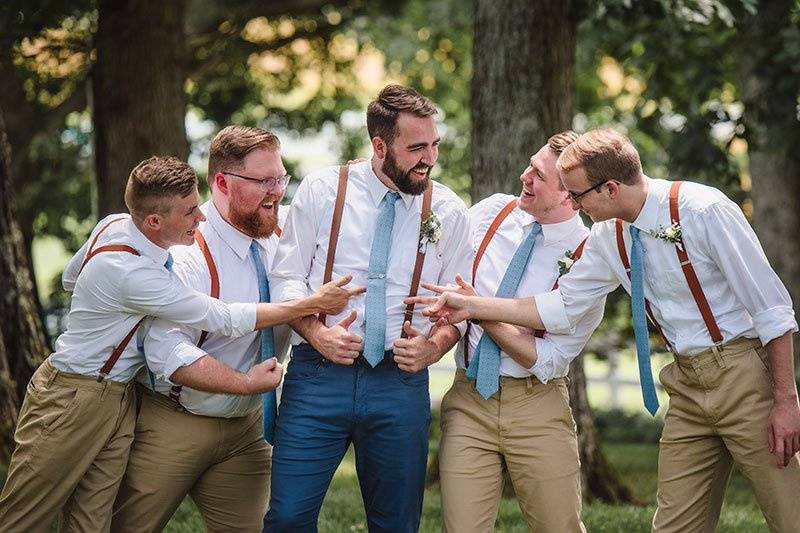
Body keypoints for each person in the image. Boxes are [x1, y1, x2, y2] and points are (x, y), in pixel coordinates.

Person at [411, 128, 800, 532]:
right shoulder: (607, 237)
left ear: (611, 188)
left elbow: (773, 310)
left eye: (578, 195)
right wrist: (474, 305)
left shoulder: (702, 210)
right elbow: (559, 308)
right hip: (685, 382)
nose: (574, 205)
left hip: (745, 373)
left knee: (790, 513)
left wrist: (786, 400)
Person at [0, 155, 359, 533]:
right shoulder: (137, 275)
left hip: (119, 396)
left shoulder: (114, 224)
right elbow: (223, 317)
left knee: (92, 520)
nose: (201, 218)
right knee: (25, 516)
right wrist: (309, 304)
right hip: (73, 393)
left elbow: (73, 278)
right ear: (154, 221)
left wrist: (354, 178)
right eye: (190, 213)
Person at [264, 84, 473, 532]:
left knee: (397, 523)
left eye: (434, 145)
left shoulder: (451, 211)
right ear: (379, 146)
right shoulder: (322, 191)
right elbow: (285, 280)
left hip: (400, 383)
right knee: (286, 517)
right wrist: (318, 333)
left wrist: (434, 349)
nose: (429, 159)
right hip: (318, 378)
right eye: (416, 148)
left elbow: (462, 306)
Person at [111, 127, 329, 531]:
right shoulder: (187, 250)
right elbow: (167, 351)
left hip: (248, 429)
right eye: (263, 181)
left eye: (280, 178)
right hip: (175, 420)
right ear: (223, 183)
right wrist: (245, 383)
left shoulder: (284, 239)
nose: (277, 191)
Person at [435, 131, 603, 532]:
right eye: (531, 164)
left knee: (557, 527)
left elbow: (546, 359)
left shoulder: (588, 255)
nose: (524, 176)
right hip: (469, 399)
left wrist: (477, 309)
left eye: (538, 175)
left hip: (537, 407)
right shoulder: (492, 212)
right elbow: (432, 223)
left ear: (570, 195)